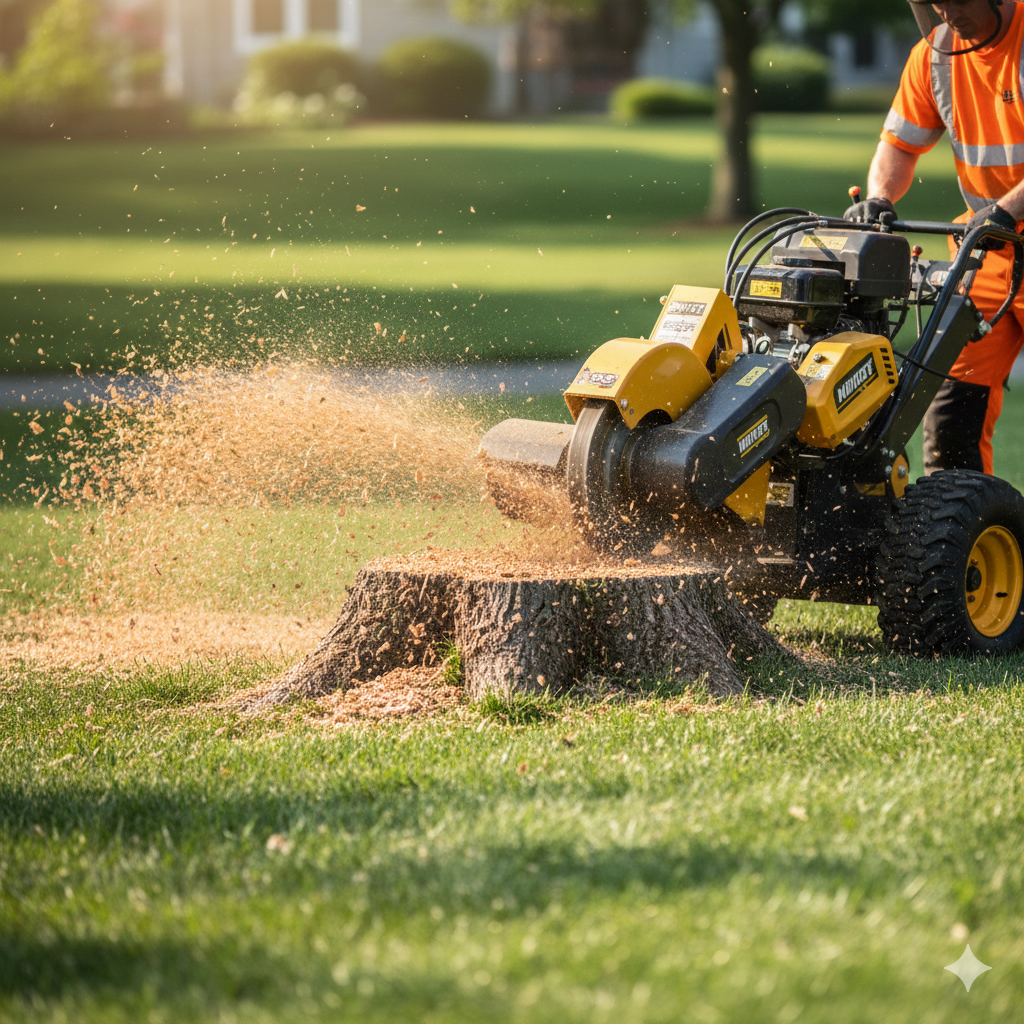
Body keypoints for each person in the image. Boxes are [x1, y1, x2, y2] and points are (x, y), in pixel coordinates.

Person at [845, 0, 1024, 475]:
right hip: (987, 251)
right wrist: (880, 198)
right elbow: (899, 145)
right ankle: (958, 516)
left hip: (995, 226)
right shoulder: (934, 56)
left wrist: (1005, 210)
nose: (948, 13)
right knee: (951, 413)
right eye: (938, 3)